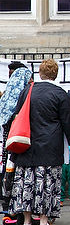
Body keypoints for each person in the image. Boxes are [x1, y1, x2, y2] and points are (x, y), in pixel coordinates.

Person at [8, 59, 70, 225]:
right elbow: (67, 121)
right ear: (56, 74)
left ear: (40, 73)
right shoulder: (60, 94)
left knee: (27, 183)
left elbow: (17, 114)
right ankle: (45, 222)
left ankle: (27, 221)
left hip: (27, 145)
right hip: (50, 146)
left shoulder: (27, 91)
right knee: (47, 183)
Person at [0, 64, 32, 211]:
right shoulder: (23, 97)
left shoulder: (7, 97)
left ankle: (7, 203)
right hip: (20, 146)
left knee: (9, 170)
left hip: (9, 146)